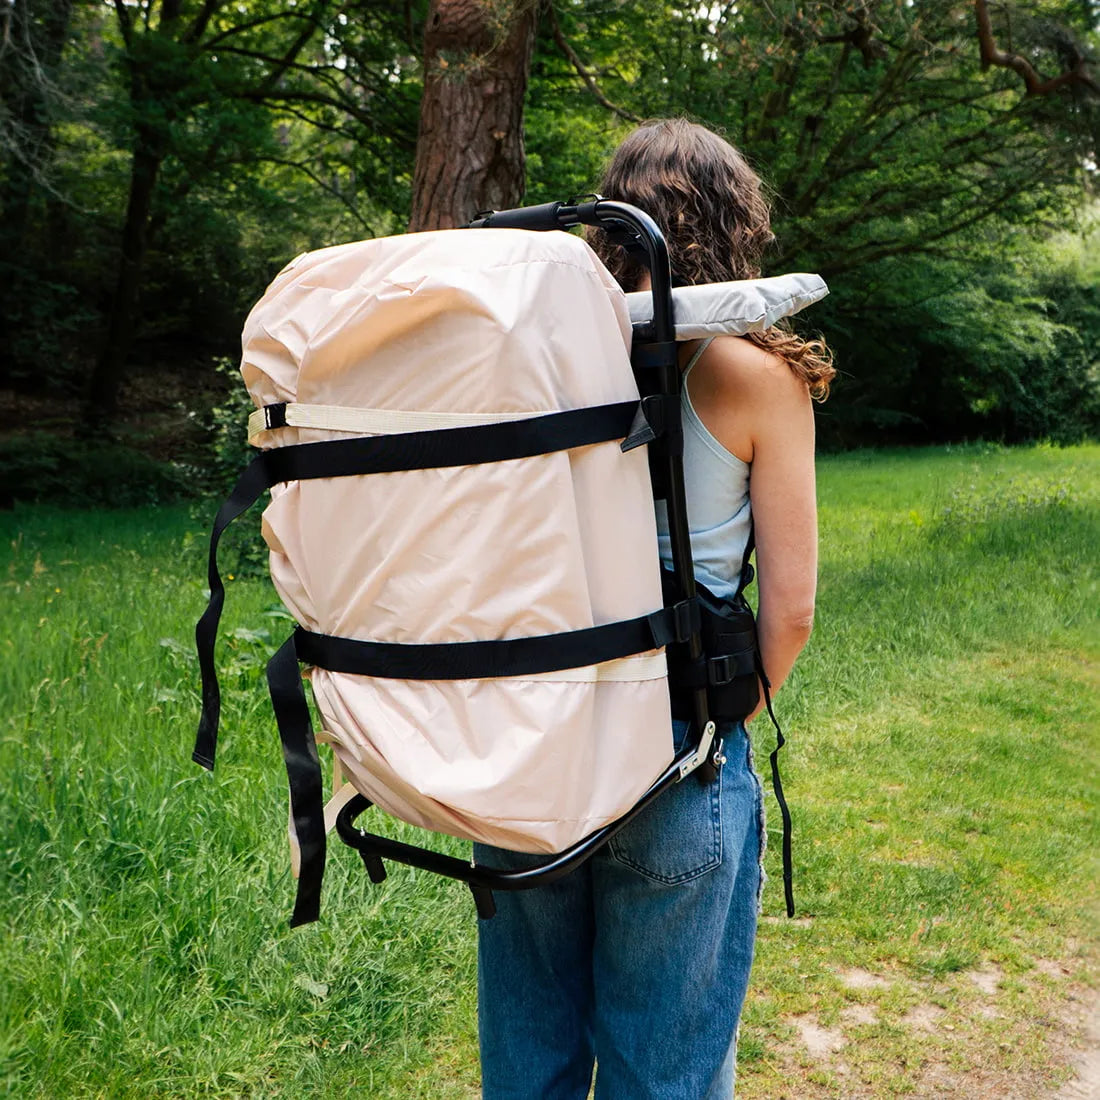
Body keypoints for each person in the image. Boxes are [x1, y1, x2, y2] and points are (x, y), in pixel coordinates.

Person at [474, 118, 835, 1099]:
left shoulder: (535, 368)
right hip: (677, 745)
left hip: (531, 740)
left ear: (611, 225)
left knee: (526, 1059)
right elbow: (791, 608)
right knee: (664, 1072)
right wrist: (719, 720)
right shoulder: (757, 378)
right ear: (733, 222)